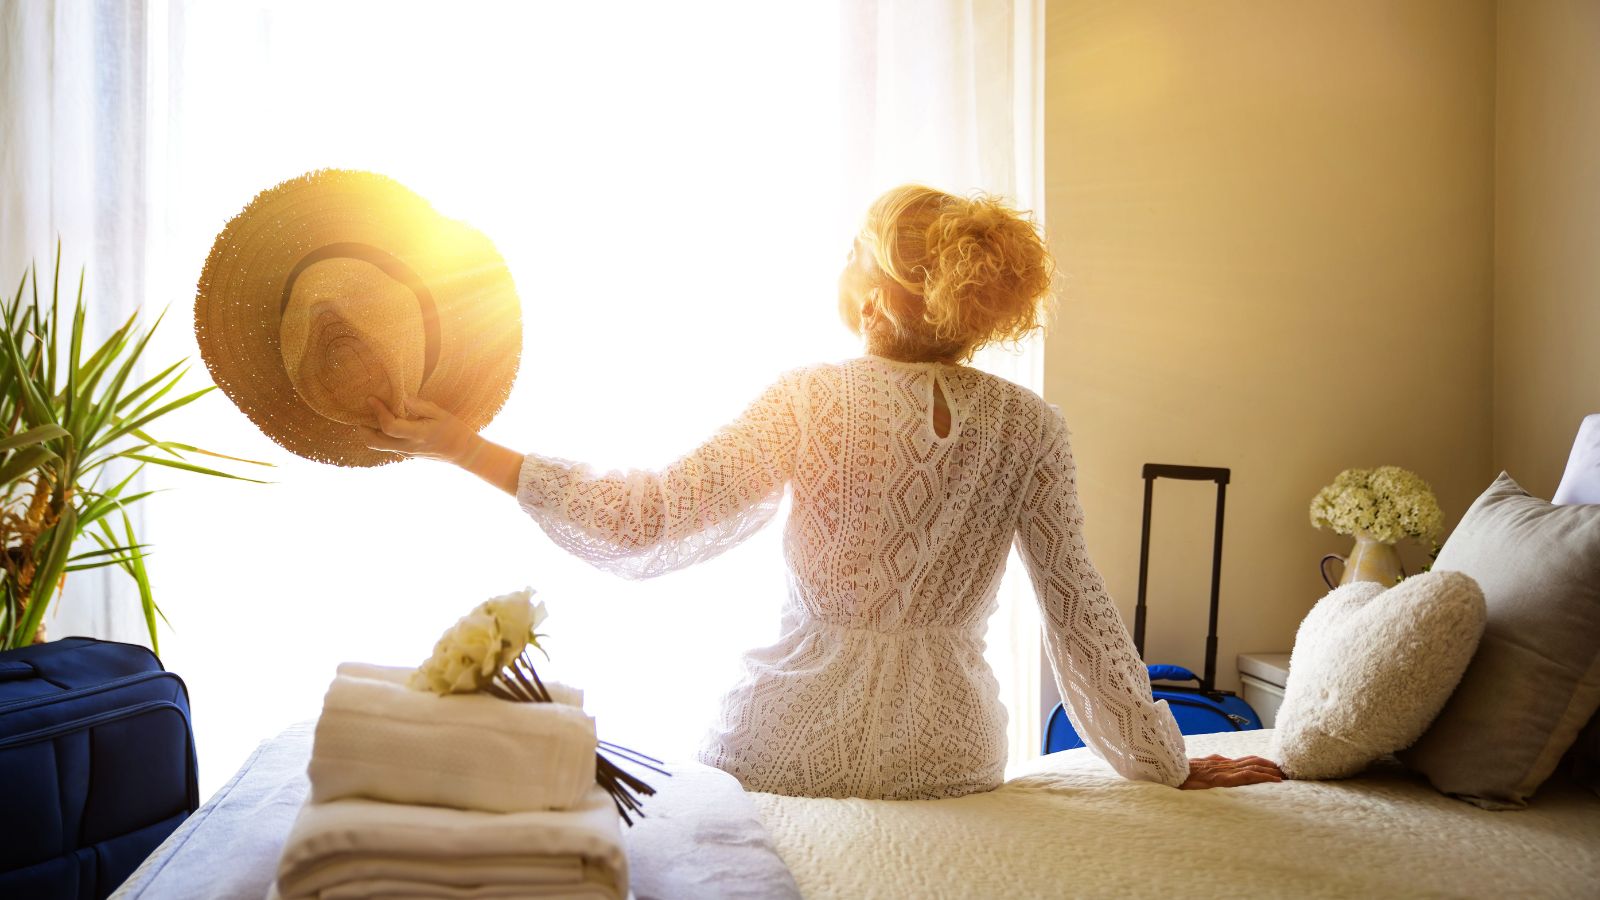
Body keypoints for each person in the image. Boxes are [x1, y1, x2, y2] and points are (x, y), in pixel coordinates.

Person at [363, 185, 1285, 799]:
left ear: (878, 291)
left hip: (786, 748)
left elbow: (646, 521)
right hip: (949, 759)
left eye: (851, 249)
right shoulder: (1031, 425)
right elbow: (1077, 609)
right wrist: (1167, 765)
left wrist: (464, 445)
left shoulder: (813, 397)